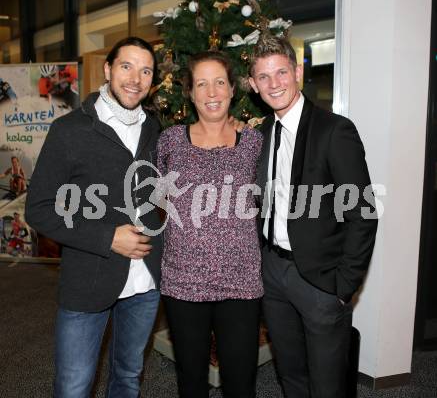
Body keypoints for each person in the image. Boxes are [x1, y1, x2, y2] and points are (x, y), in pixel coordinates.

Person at [25, 37, 163, 398]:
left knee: (129, 377)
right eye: (126, 66)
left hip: (145, 282)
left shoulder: (155, 129)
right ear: (107, 70)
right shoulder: (70, 130)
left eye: (145, 70)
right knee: (73, 387)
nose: (135, 78)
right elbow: (39, 207)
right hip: (87, 281)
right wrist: (108, 237)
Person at [248, 34, 378, 398]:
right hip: (272, 274)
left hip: (321, 282)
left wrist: (343, 286)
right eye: (263, 77)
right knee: (290, 375)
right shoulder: (261, 134)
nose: (274, 84)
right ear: (254, 85)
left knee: (326, 386)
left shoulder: (334, 131)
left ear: (297, 72)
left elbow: (363, 214)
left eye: (281, 72)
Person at [157, 51, 263, 398]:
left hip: (241, 280)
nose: (212, 91)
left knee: (240, 380)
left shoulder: (254, 143)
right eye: (202, 83)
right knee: (191, 378)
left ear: (233, 89)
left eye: (220, 82)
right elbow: (157, 197)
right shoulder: (170, 140)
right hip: (183, 280)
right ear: (189, 92)